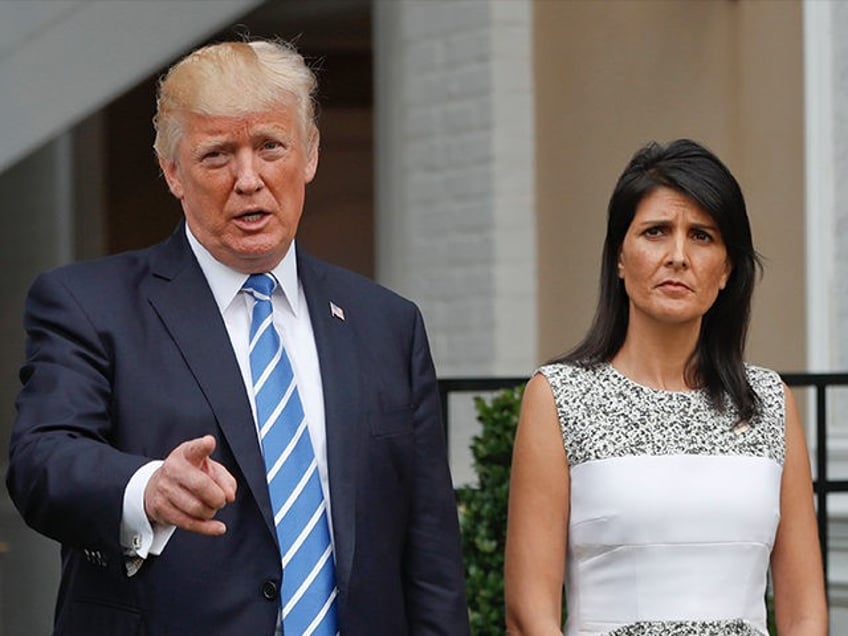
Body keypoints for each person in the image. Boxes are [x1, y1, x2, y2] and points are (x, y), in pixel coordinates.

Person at [6, 38, 470, 636]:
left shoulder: (386, 323)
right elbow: (41, 459)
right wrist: (145, 487)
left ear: (310, 156)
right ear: (173, 172)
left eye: (271, 146)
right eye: (217, 155)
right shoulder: (89, 304)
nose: (248, 179)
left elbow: (428, 546)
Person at [504, 139, 827, 635]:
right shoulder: (560, 396)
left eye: (702, 236)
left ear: (727, 269)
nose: (678, 256)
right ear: (618, 256)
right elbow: (530, 614)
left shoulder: (769, 403)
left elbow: (806, 613)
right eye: (656, 232)